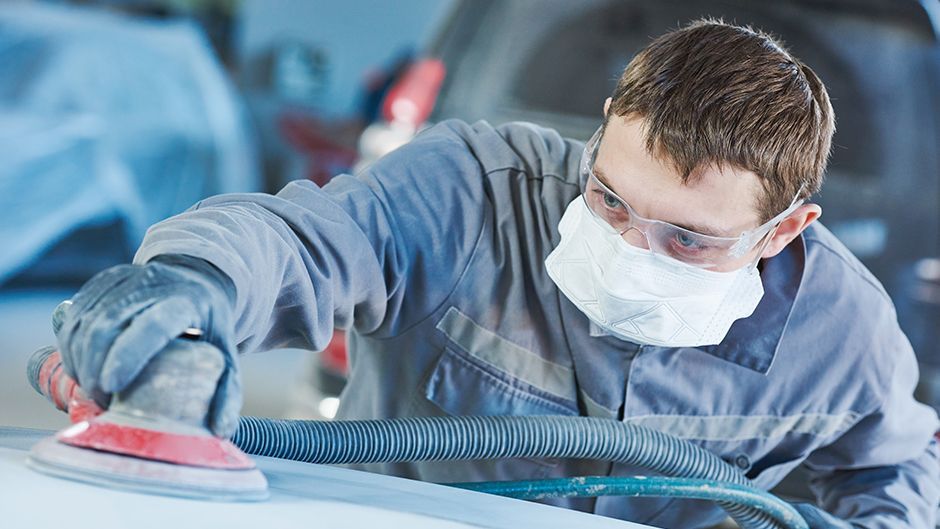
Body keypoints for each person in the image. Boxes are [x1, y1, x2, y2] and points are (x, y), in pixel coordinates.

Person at [51, 19, 939, 528]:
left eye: (688, 242)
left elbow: (891, 476)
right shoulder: (474, 190)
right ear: (602, 134)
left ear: (785, 230)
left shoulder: (839, 331)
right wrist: (189, 287)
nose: (631, 251)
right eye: (610, 200)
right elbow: (298, 240)